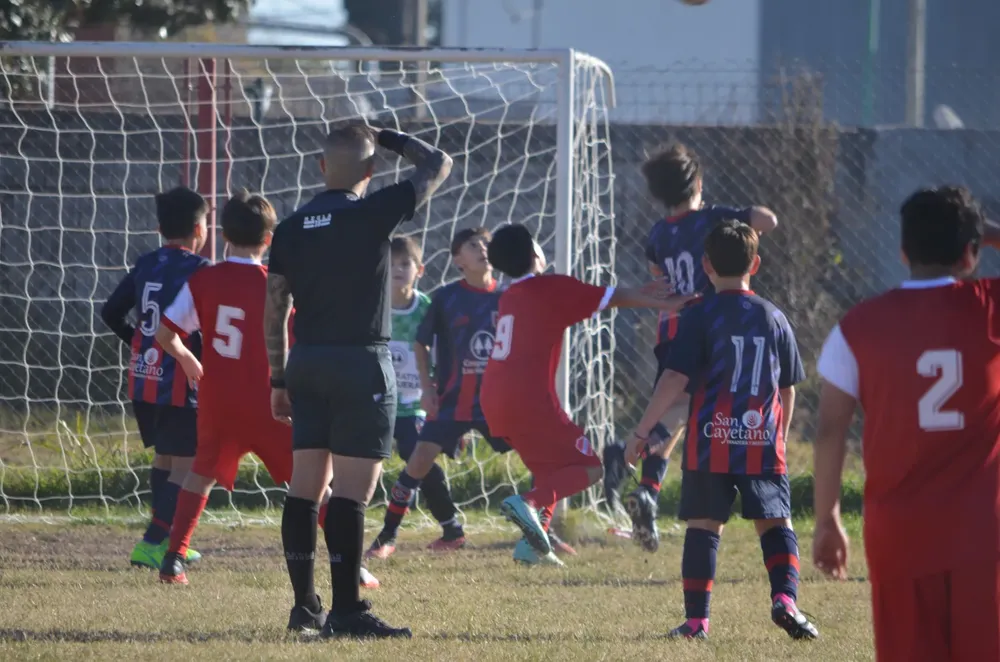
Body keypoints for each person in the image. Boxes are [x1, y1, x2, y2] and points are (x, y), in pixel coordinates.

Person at [264, 124, 452, 639]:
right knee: (350, 494)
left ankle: (304, 608)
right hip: (360, 365)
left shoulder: (290, 227)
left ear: (322, 168)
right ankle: (347, 612)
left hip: (306, 363)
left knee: (305, 488)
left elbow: (274, 306)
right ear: (370, 172)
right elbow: (438, 163)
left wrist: (279, 376)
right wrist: (387, 134)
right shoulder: (373, 210)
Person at [150, 191, 379, 592]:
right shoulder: (278, 285)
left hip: (218, 402)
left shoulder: (205, 278)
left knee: (199, 474)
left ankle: (173, 557)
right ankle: (352, 565)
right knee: (311, 485)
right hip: (271, 402)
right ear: (270, 240)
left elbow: (165, 334)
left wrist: (187, 358)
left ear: (222, 235)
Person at [813, 186, 1000, 661]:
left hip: (900, 534)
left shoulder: (857, 326)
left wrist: (828, 518)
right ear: (971, 253)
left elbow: (831, 429)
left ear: (902, 252)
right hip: (985, 532)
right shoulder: (989, 307)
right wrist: (988, 234)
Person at [625, 220, 817, 641]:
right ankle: (785, 599)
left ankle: (696, 622)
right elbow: (786, 387)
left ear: (706, 265)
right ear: (757, 263)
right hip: (761, 443)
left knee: (704, 526)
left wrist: (643, 432)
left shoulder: (699, 316)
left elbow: (673, 379)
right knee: (775, 523)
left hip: (709, 441)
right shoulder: (774, 318)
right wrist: (778, 434)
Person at [481, 223, 695, 566]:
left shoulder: (510, 295)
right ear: (536, 254)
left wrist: (642, 292)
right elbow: (612, 298)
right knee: (590, 467)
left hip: (493, 398)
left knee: (554, 471)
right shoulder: (550, 286)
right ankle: (529, 503)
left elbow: (605, 297)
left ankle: (531, 547)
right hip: (530, 400)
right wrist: (664, 301)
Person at [604, 143, 779, 553]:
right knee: (683, 412)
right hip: (709, 328)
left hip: (671, 329)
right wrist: (735, 216)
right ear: (698, 183)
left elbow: (657, 275)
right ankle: (623, 451)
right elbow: (767, 220)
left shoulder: (658, 234)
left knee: (680, 412)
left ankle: (648, 489)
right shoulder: (714, 219)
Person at [367, 227, 512, 559]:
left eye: (486, 244)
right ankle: (387, 536)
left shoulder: (507, 298)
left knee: (535, 456)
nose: (483, 249)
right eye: (473, 245)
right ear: (457, 259)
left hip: (492, 402)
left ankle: (540, 532)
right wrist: (429, 389)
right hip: (445, 402)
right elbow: (421, 344)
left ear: (420, 270)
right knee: (418, 459)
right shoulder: (446, 299)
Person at [100, 186, 209, 571]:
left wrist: (138, 342)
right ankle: (152, 542)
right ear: (200, 229)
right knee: (190, 466)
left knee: (166, 459)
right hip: (181, 382)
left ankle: (163, 539)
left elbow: (111, 311)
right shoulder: (201, 271)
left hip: (143, 378)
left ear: (161, 228)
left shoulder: (146, 263)